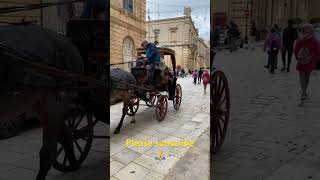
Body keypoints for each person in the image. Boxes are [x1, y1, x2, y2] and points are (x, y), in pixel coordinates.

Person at [294, 24, 320, 100]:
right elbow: (318, 51)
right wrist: (315, 59)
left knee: (302, 77)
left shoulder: (300, 39)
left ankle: (303, 92)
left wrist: (298, 58)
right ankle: (304, 92)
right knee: (307, 77)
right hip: (310, 60)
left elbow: (296, 50)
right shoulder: (314, 40)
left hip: (301, 60)